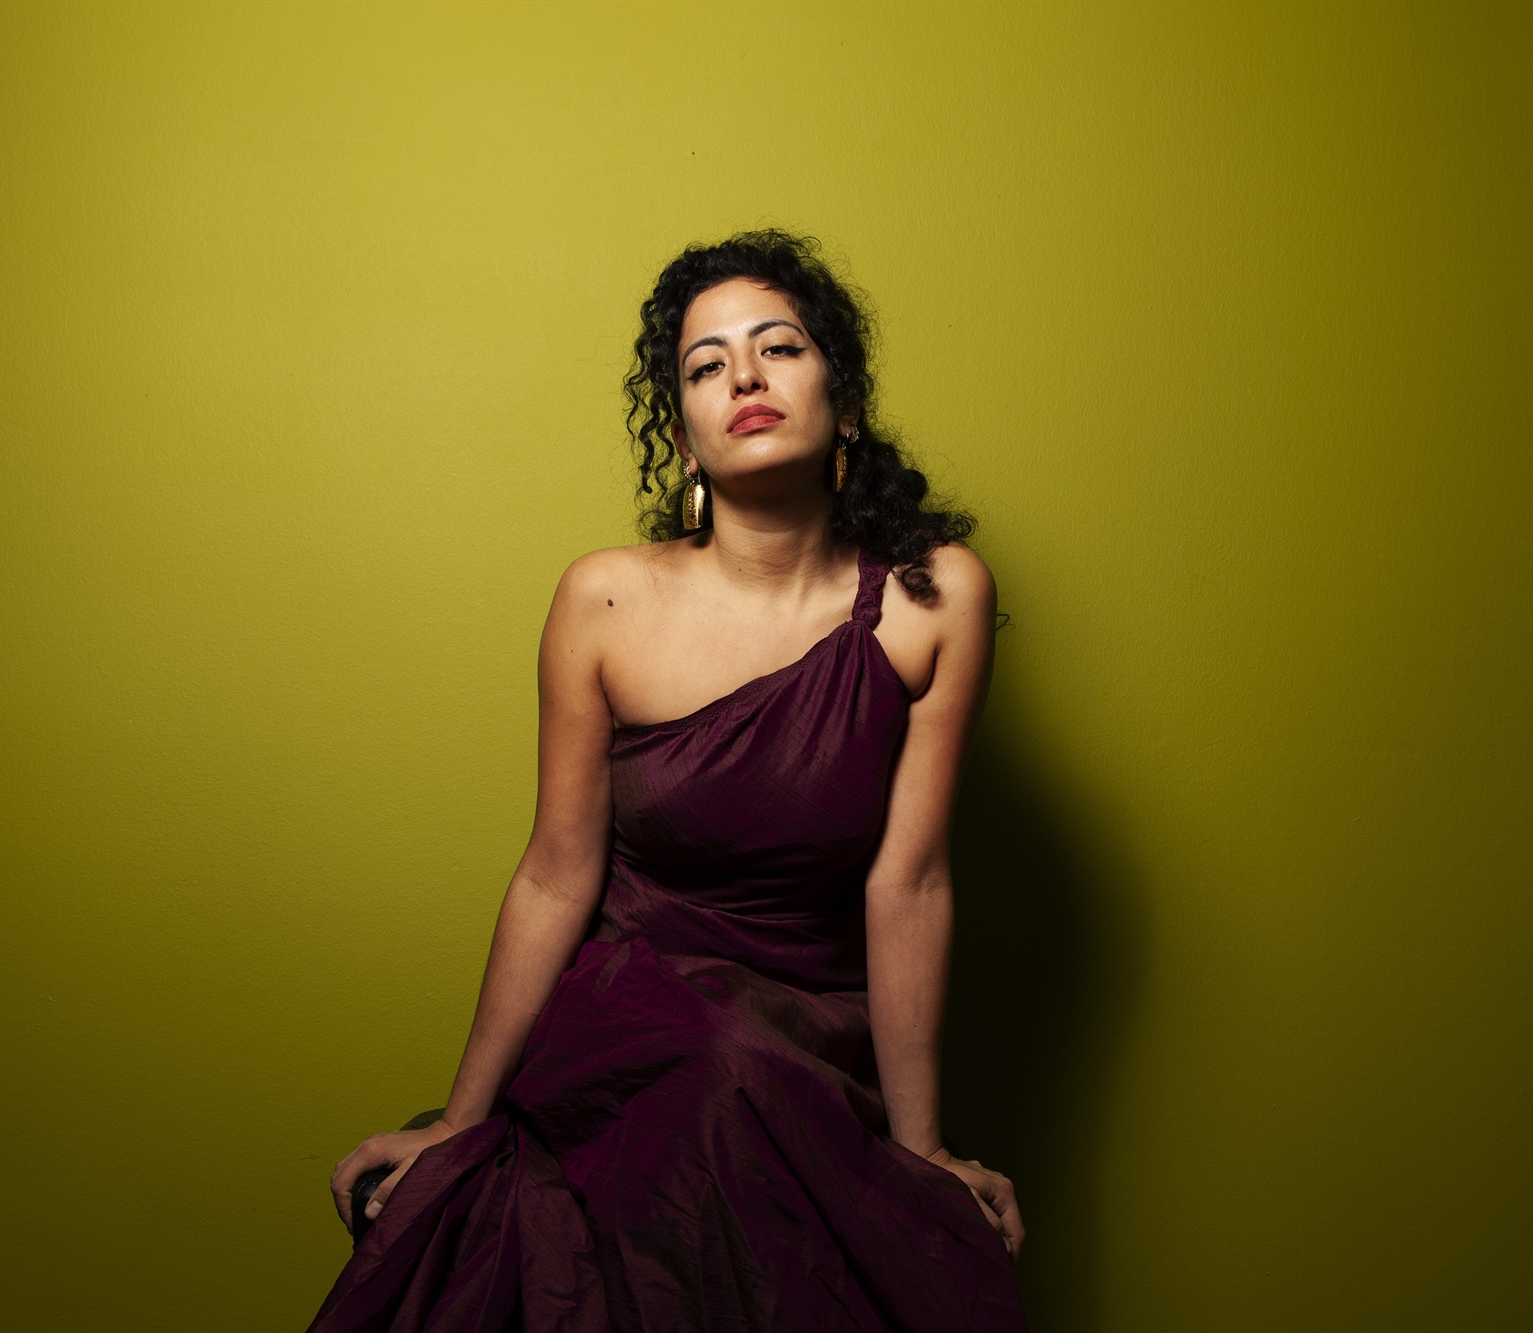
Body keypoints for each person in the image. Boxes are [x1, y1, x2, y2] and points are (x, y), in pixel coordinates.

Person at [310, 231, 1026, 1333]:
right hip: (629, 1011)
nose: (743, 377)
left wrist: (920, 1146)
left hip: (809, 1033)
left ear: (842, 401)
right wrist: (458, 1119)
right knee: (709, 1070)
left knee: (744, 1087)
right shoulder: (602, 600)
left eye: (778, 347)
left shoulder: (935, 598)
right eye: (705, 365)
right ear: (683, 440)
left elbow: (910, 880)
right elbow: (556, 874)